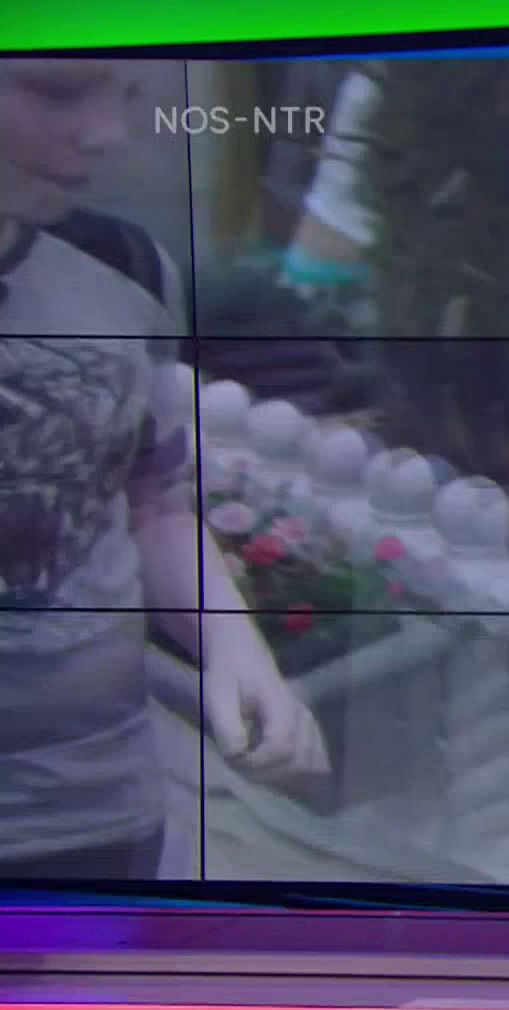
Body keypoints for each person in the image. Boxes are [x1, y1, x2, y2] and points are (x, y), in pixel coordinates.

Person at [0, 58, 329, 880]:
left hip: (99, 811)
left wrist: (237, 652)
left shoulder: (126, 268)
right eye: (56, 91)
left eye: (126, 97)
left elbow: (152, 498)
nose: (107, 134)